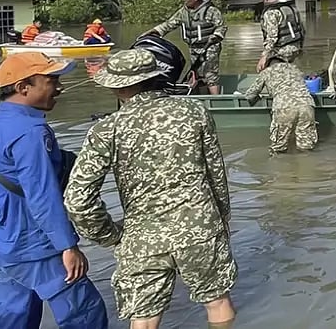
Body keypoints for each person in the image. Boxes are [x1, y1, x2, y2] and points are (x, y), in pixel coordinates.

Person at [64, 48, 237, 329]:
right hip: (200, 227)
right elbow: (216, 174)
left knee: (143, 318)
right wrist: (221, 220)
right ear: (156, 78)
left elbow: (78, 200)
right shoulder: (194, 112)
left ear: (117, 88)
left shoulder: (106, 130)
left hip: (142, 237)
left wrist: (110, 236)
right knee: (217, 302)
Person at [0, 52, 109, 329]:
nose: (59, 87)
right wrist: (68, 247)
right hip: (35, 246)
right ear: (23, 88)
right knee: (86, 314)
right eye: (51, 80)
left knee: (15, 319)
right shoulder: (31, 133)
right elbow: (42, 196)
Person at [142, 0, 227, 95]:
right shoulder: (183, 12)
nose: (184, 0)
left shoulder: (211, 11)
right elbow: (169, 24)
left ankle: (215, 100)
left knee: (210, 75)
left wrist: (217, 35)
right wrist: (154, 31)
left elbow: (221, 26)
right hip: (193, 47)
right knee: (196, 74)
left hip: (210, 46)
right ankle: (202, 99)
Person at [239, 56, 318, 153]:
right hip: (306, 105)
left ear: (267, 64)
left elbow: (250, 95)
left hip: (283, 108)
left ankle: (278, 166)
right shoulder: (296, 69)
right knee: (306, 148)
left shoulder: (267, 72)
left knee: (278, 149)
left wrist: (257, 98)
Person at [256, 0, 304, 73]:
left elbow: (272, 37)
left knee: (263, 68)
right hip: (296, 48)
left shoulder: (271, 13)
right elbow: (302, 30)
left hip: (282, 51)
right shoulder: (291, 8)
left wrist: (264, 57)